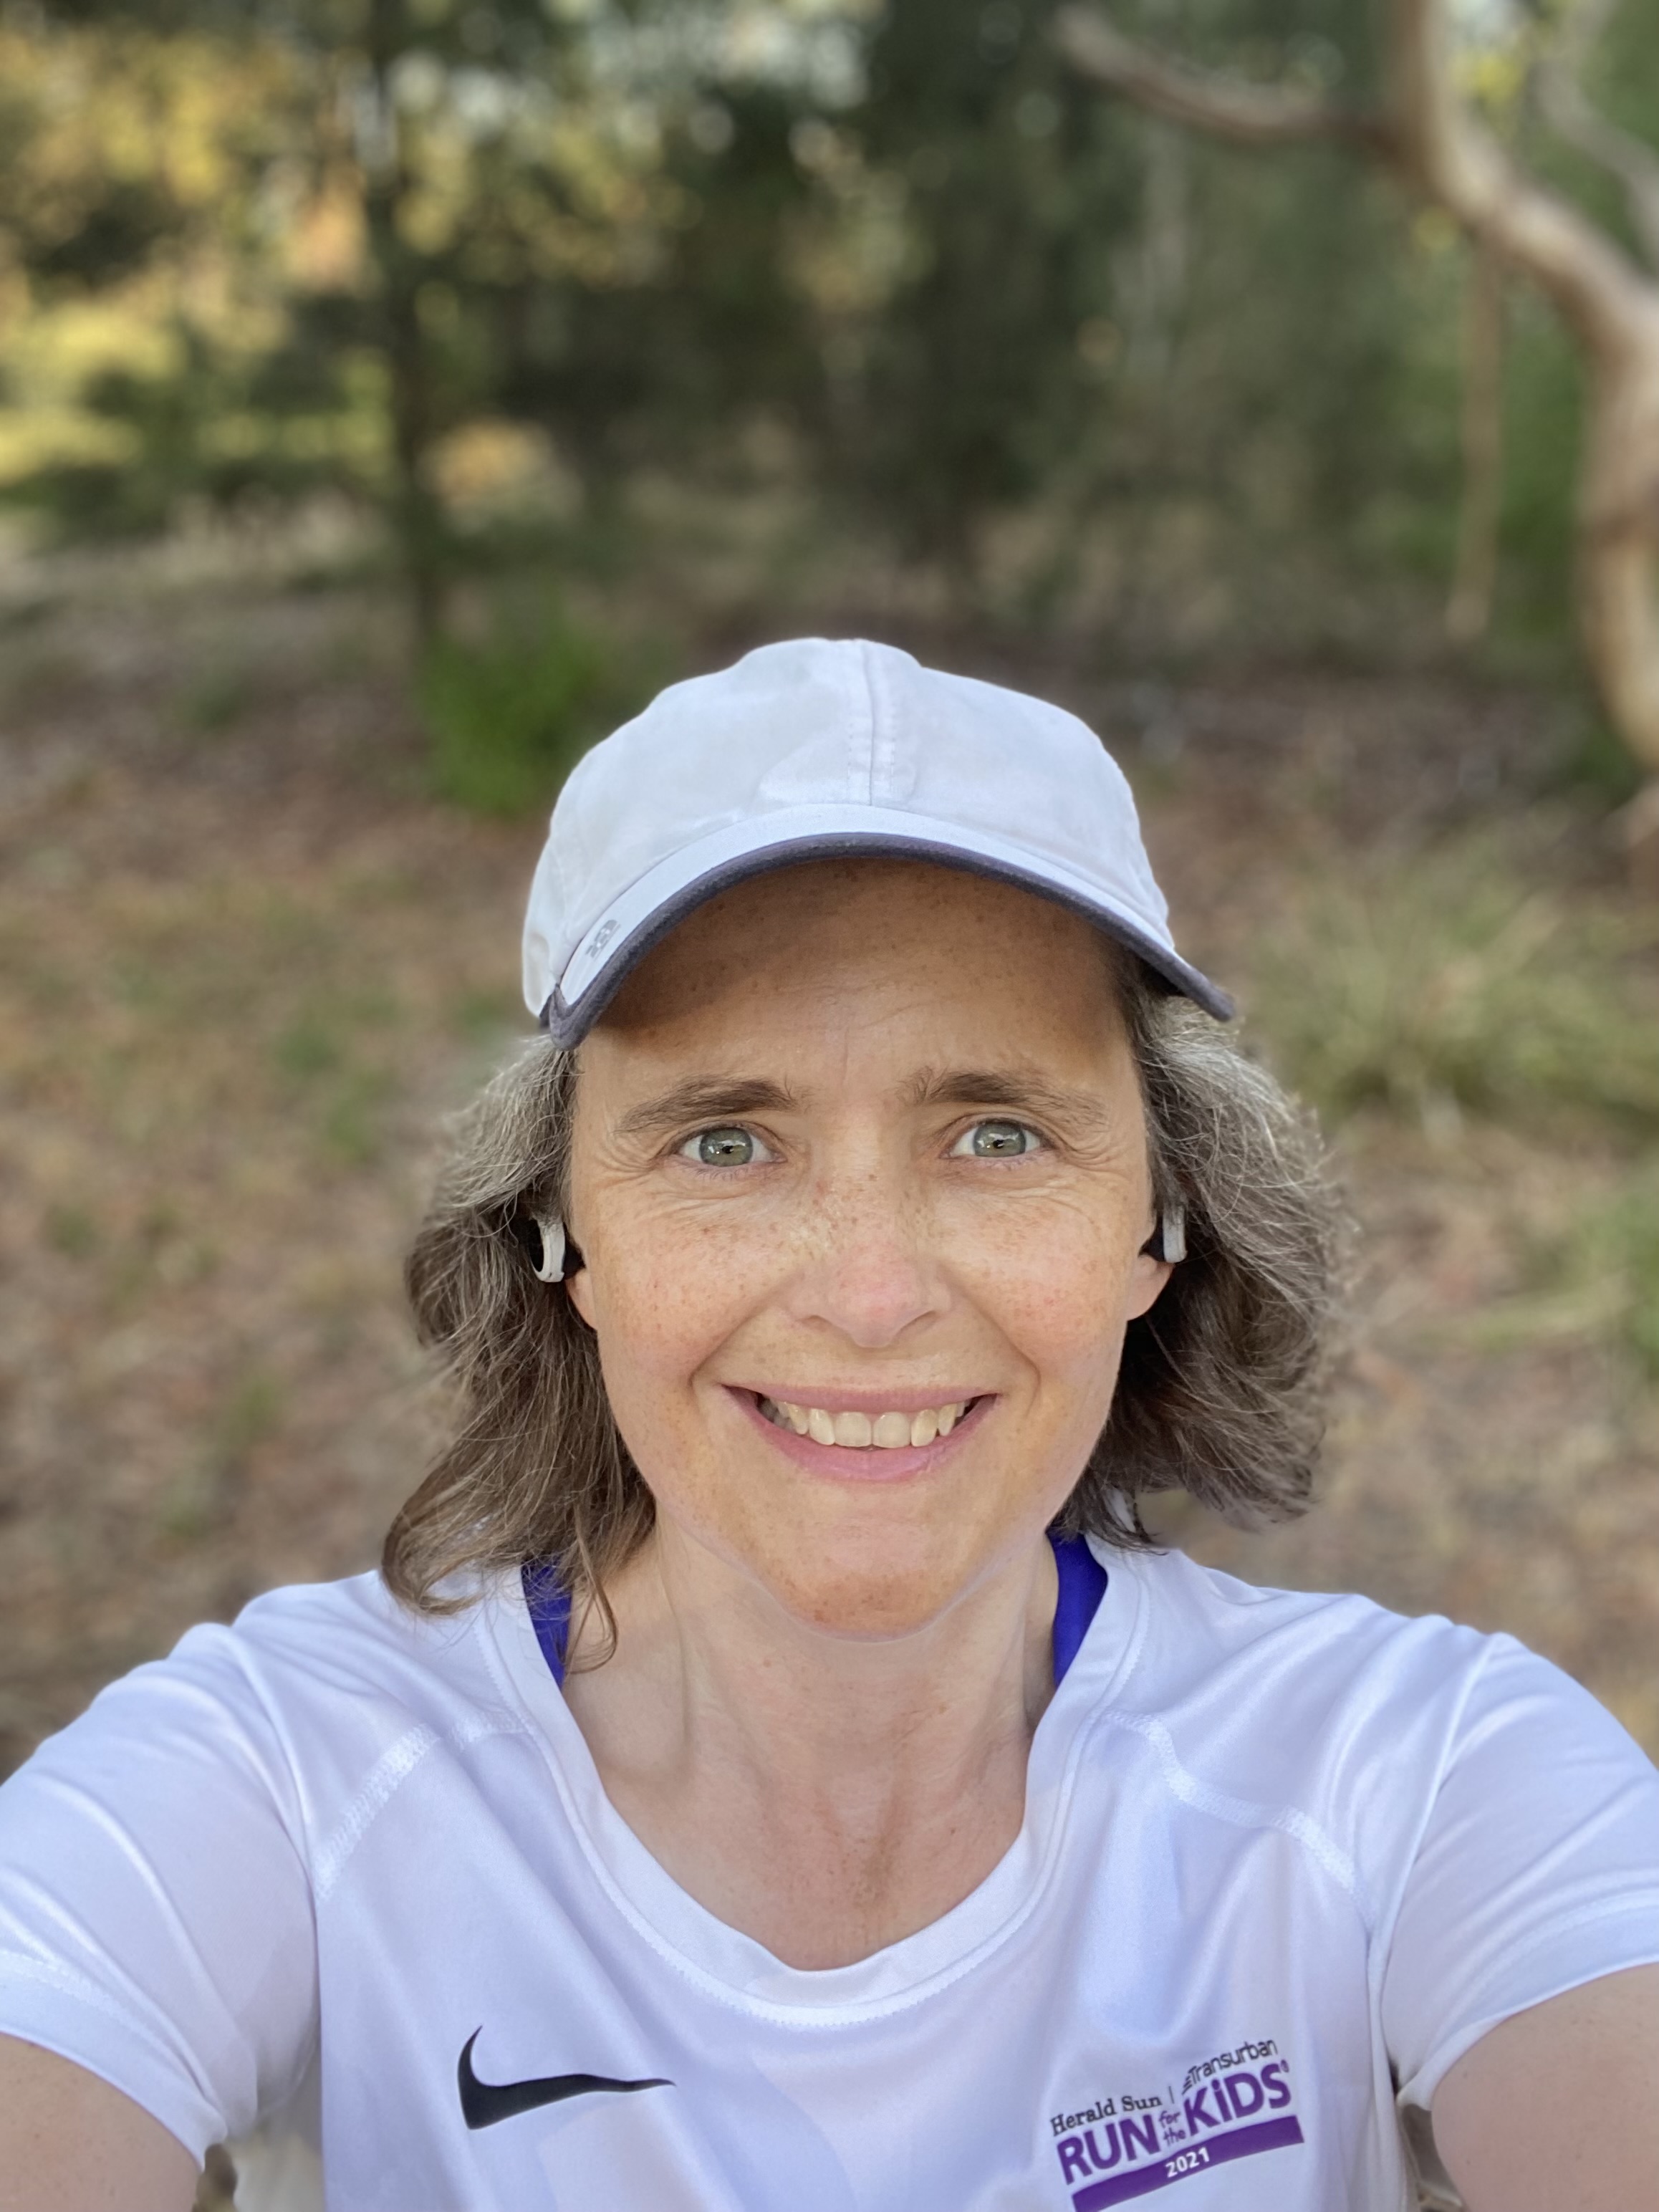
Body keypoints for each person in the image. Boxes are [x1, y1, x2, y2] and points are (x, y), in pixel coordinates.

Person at [1, 638, 1657, 2212]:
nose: (870, 1295)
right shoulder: (286, 1781)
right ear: (562, 1233)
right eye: (727, 1144)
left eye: (996, 1133)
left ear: (1159, 1222)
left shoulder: (1416, 1774)